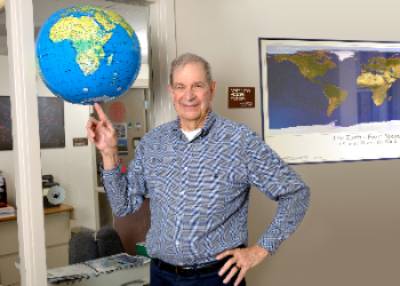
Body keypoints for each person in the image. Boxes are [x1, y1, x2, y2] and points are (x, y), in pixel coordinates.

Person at [87, 53, 310, 286]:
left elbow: (296, 194)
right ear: (171, 92)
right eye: (180, 86)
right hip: (161, 275)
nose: (189, 96)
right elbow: (123, 206)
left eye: (198, 86)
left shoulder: (239, 140)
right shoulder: (152, 143)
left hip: (216, 278)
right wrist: (108, 153)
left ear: (211, 89)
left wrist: (260, 250)